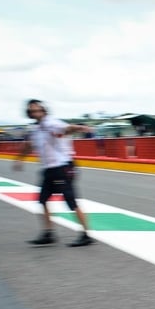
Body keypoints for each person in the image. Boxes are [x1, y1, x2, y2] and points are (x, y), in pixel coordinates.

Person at [13, 99, 94, 247]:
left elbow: (66, 129)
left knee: (71, 201)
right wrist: (19, 159)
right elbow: (30, 145)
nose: (35, 112)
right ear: (29, 114)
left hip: (63, 168)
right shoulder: (36, 129)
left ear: (44, 111)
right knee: (42, 200)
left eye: (38, 110)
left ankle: (86, 234)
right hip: (49, 169)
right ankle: (49, 233)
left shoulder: (51, 123)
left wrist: (81, 128)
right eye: (32, 111)